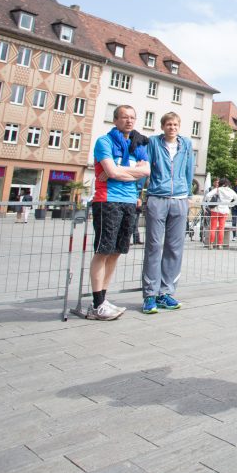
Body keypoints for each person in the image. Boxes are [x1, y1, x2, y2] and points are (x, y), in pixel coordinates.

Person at [87, 105, 151, 321]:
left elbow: (145, 171)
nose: (129, 121)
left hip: (129, 201)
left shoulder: (137, 146)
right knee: (103, 250)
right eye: (124, 117)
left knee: (116, 252)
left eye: (133, 117)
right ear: (115, 120)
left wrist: (117, 172)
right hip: (108, 200)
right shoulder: (104, 142)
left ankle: (103, 299)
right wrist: (123, 172)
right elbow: (112, 172)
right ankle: (97, 304)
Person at [141, 112, 195, 314]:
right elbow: (146, 167)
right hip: (158, 196)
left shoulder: (186, 144)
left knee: (174, 247)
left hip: (180, 198)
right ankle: (149, 294)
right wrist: (142, 192)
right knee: (153, 246)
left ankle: (166, 292)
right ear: (163, 127)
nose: (172, 127)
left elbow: (190, 168)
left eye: (175, 124)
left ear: (179, 126)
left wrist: (189, 193)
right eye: (169, 124)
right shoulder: (153, 142)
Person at [205, 178, 237, 248]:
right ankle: (220, 244)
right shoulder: (231, 191)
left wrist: (211, 202)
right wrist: (230, 205)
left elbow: (207, 195)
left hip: (215, 210)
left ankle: (211, 244)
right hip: (225, 211)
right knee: (221, 228)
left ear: (221, 183)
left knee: (213, 228)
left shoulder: (218, 189)